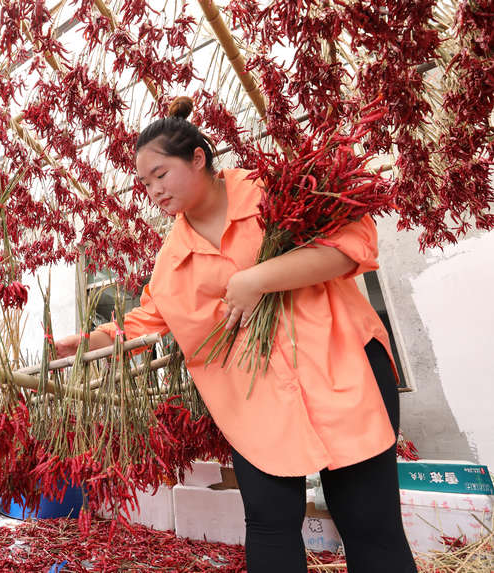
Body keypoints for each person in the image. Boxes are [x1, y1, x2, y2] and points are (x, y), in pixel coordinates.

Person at [54, 97, 417, 573]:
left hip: (343, 366)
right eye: (144, 184)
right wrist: (87, 343)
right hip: (257, 400)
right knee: (268, 523)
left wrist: (254, 280)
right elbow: (144, 322)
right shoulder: (173, 259)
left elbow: (352, 246)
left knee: (370, 523)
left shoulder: (275, 192)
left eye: (160, 175)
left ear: (198, 159)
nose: (152, 192)